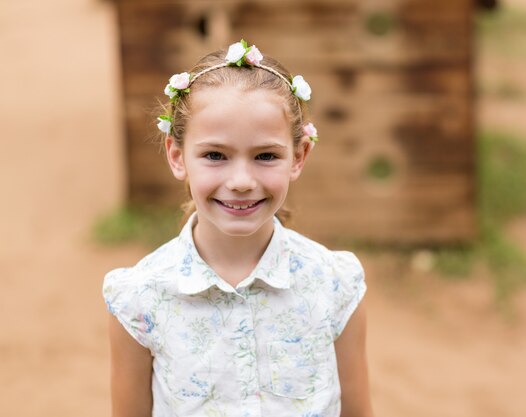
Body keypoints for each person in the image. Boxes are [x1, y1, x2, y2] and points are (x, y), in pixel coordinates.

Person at [103, 39, 373, 417]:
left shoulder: (333, 285)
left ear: (299, 156)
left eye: (265, 156)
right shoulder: (139, 300)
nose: (242, 180)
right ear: (177, 156)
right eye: (215, 155)